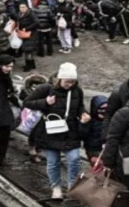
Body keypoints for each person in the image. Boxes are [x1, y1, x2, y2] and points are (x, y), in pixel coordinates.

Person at [23, 63, 89, 199]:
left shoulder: (77, 91)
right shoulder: (46, 88)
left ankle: (72, 186)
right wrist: (45, 102)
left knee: (74, 159)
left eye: (72, 82)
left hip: (70, 131)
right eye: (67, 81)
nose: (69, 84)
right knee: (53, 162)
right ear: (60, 78)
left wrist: (83, 113)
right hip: (50, 130)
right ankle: (56, 187)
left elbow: (80, 106)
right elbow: (27, 102)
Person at [80, 96, 108, 163]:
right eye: (102, 108)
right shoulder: (89, 120)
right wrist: (83, 124)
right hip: (93, 149)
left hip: (107, 148)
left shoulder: (110, 120)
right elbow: (82, 135)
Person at [16, 1, 39, 71]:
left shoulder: (31, 14)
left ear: (27, 7)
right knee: (27, 50)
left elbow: (37, 22)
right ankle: (31, 64)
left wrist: (27, 28)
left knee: (28, 50)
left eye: (23, 7)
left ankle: (28, 65)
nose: (21, 9)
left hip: (31, 34)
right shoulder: (20, 14)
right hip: (24, 34)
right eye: (20, 7)